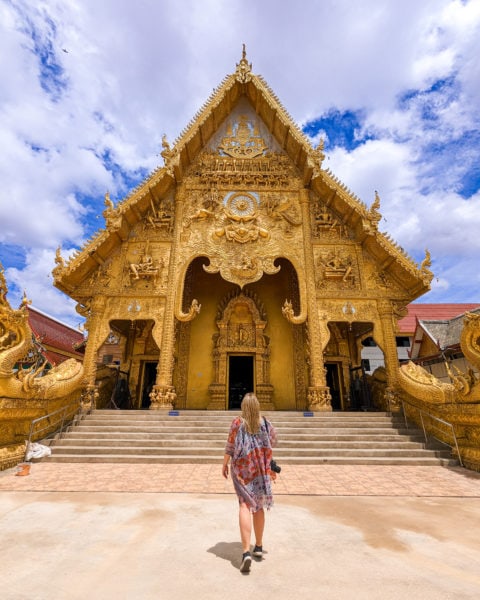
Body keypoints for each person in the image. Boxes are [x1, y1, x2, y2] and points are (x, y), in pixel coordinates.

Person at [222, 392, 277, 573]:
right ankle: (259, 547)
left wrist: (224, 464)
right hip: (260, 469)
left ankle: (246, 552)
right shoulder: (266, 423)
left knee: (244, 505)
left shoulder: (237, 423)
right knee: (258, 506)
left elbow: (230, 446)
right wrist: (270, 467)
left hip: (242, 470)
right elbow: (272, 444)